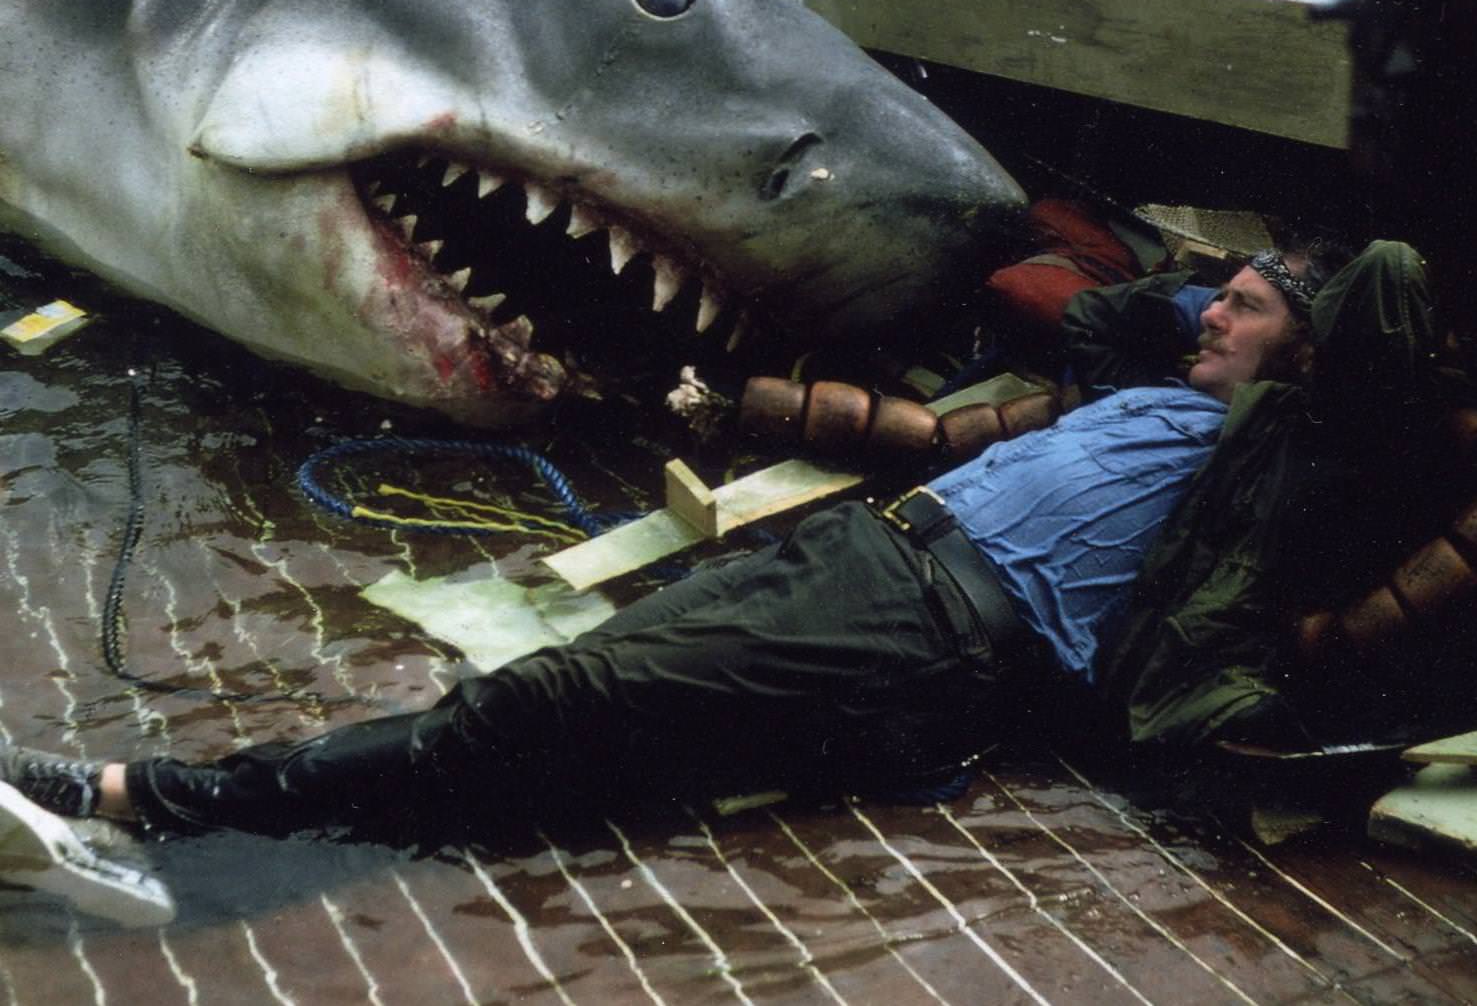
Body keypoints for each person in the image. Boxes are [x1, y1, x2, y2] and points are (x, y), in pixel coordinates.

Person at [0, 238, 1441, 845]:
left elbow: (1387, 370)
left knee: (541, 699)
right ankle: (308, 796)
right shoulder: (1144, 387)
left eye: (1243, 310)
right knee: (583, 718)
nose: (1210, 318)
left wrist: (1318, 341)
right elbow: (1092, 323)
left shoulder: (1288, 459)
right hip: (877, 549)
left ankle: (147, 795)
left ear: (1311, 359)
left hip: (937, 623)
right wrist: (739, 402)